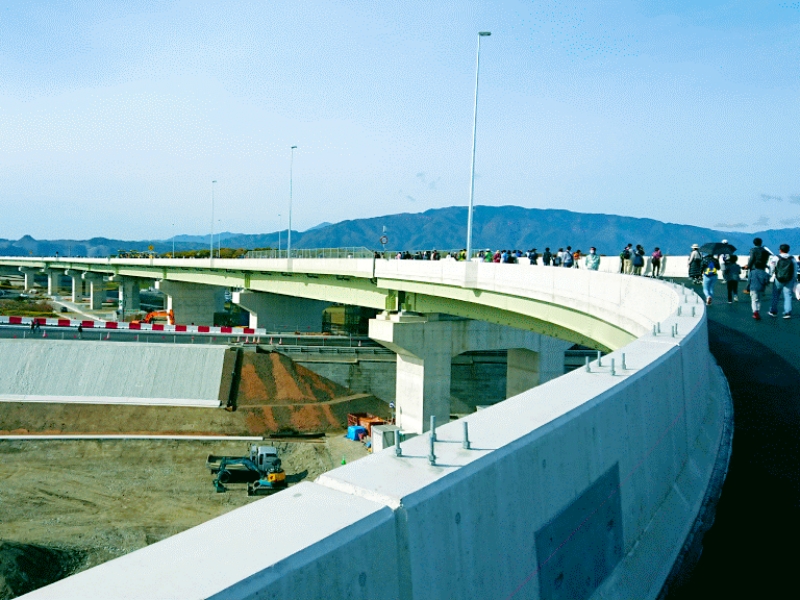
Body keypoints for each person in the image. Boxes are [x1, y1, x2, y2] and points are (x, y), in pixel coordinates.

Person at [768, 244, 796, 319]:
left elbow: (772, 268)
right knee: (788, 295)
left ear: (780, 250)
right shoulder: (792, 258)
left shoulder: (776, 258)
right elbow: (795, 270)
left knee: (775, 295)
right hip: (789, 279)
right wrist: (794, 278)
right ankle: (787, 312)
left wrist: (769, 276)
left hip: (778, 279)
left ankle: (773, 311)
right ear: (788, 250)